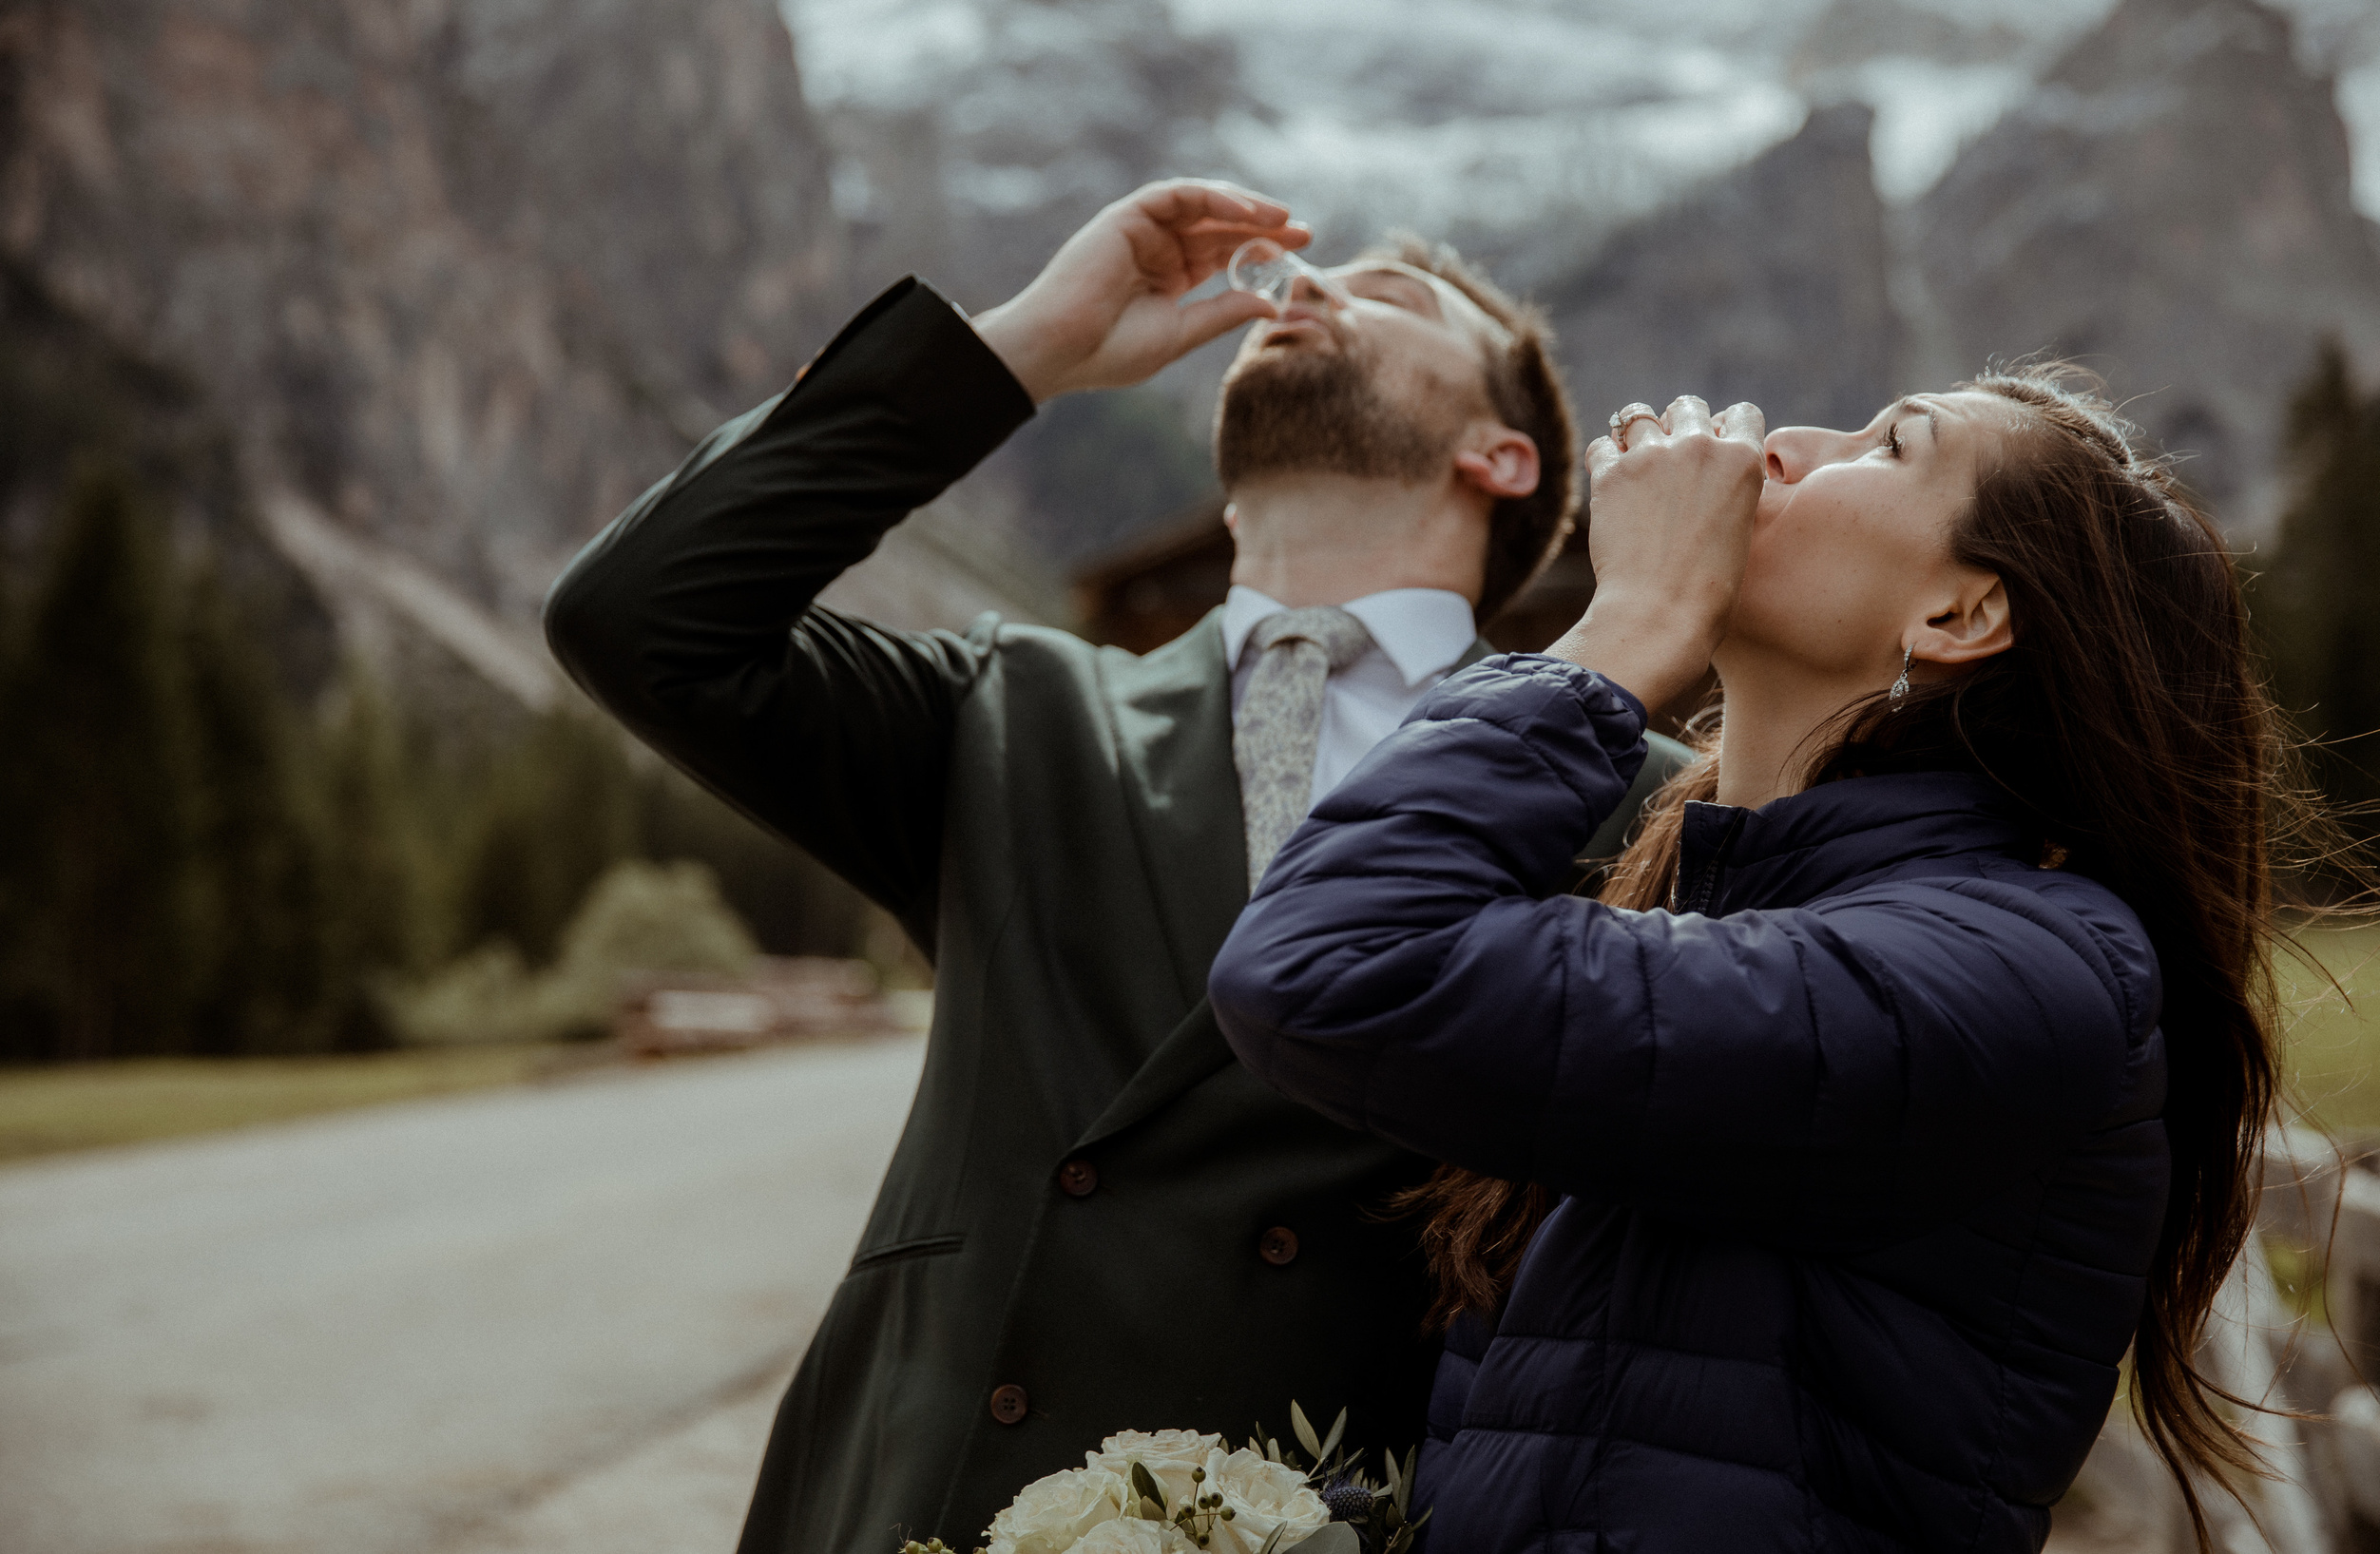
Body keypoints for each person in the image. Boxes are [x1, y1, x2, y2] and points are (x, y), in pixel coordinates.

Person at [541, 179, 1691, 1551]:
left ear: (1502, 456)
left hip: (1347, 1509)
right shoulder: (1010, 709)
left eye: (1386, 296)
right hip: (941, 1488)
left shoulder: (1642, 800)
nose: (1304, 286)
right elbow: (640, 612)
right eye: (1314, 279)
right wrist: (1028, 341)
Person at [1210, 373, 2288, 1551]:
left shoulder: (2029, 965)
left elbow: (1326, 963)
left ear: (1959, 616)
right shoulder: (1693, 907)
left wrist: (1632, 622)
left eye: (1886, 445)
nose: (1777, 445)